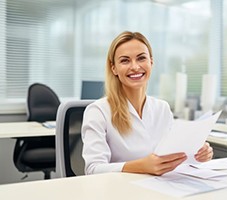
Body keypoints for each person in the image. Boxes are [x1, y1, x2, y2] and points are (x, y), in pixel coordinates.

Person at [81, 31, 213, 176]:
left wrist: (198, 154)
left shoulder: (162, 108)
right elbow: (93, 169)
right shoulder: (98, 111)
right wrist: (142, 166)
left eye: (141, 58)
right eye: (125, 60)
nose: (135, 67)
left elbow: (174, 156)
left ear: (151, 62)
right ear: (114, 68)